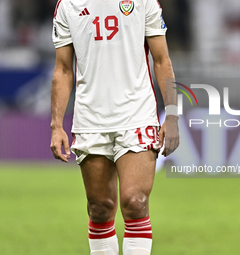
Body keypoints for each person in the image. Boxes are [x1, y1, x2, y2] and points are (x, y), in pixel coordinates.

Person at [50, 0, 179, 254]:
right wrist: (56, 125)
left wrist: (172, 115)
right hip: (90, 119)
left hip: (136, 114)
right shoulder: (67, 5)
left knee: (135, 201)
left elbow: (162, 60)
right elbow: (63, 69)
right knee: (100, 207)